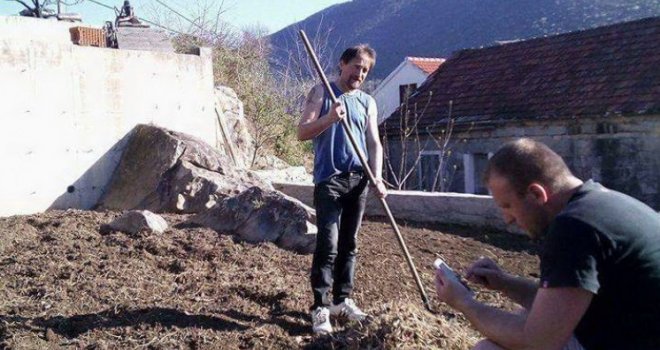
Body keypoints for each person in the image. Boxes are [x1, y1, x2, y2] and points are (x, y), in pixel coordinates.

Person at [434, 138, 660, 349]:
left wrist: (464, 302)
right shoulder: (601, 204)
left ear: (536, 194)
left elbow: (539, 342)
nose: (508, 219)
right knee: (524, 316)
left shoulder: (574, 227)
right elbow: (559, 304)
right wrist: (505, 283)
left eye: (507, 206)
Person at [298, 44, 387, 334]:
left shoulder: (367, 102)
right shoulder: (322, 92)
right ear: (342, 63)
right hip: (329, 179)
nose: (359, 73)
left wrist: (378, 177)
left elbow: (374, 143)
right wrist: (330, 119)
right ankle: (320, 307)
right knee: (329, 243)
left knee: (350, 243)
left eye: (365, 69)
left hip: (358, 180)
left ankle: (342, 300)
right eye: (356, 66)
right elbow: (302, 132)